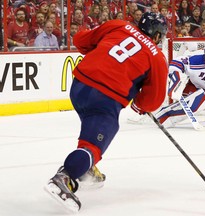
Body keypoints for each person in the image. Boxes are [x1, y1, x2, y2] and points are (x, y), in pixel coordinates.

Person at [44, 12, 168, 212]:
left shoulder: (118, 25)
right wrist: (139, 105)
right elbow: (154, 99)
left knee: (90, 127)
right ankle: (64, 177)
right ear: (158, 35)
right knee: (93, 144)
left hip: (79, 86)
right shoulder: (157, 57)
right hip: (105, 98)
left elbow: (81, 40)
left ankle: (85, 168)